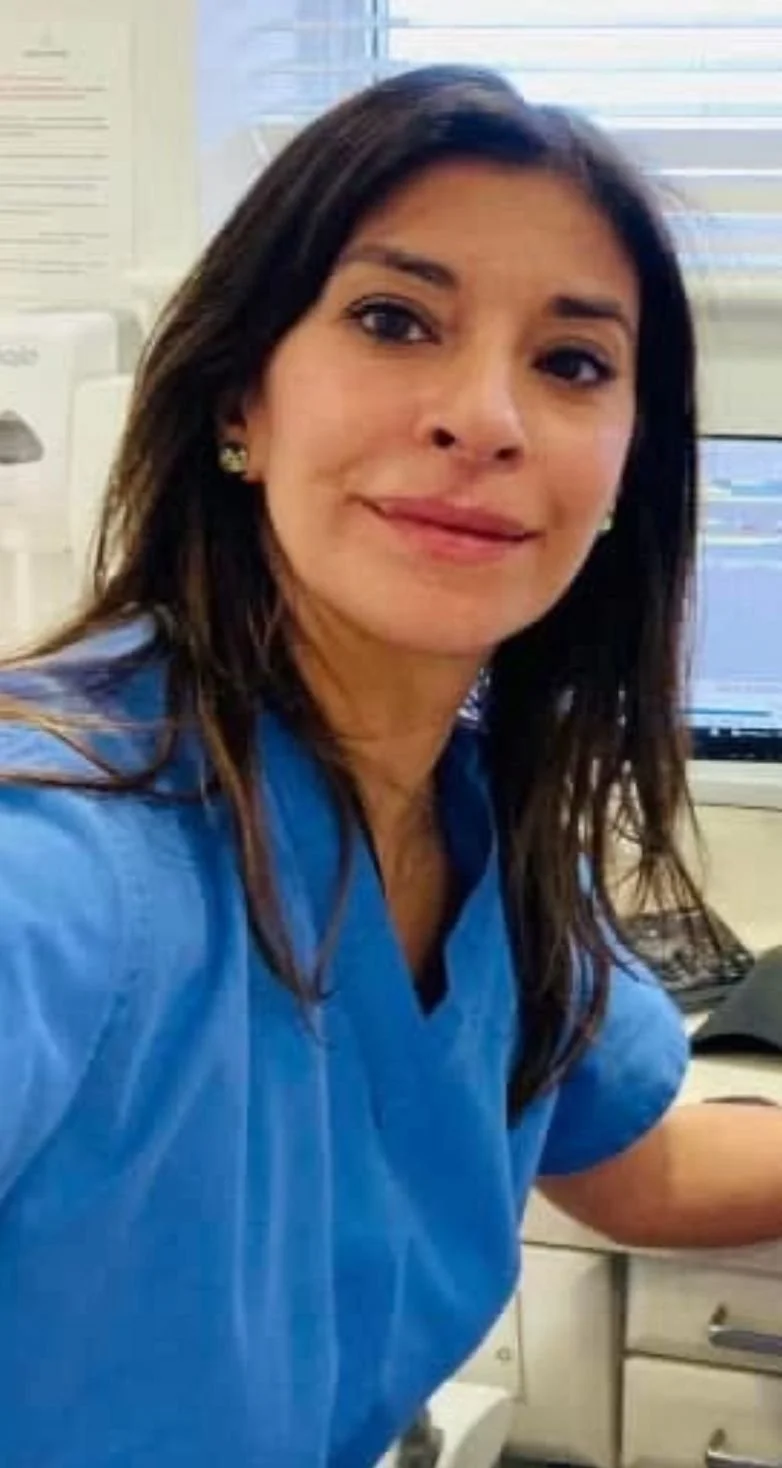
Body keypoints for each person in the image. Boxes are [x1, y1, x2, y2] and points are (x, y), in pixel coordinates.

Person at [0, 64, 780, 1468]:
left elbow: (636, 1164)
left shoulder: (486, 824)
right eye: (390, 319)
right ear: (242, 397)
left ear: (621, 469)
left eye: (572, 362)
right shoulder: (57, 856)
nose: (483, 416)